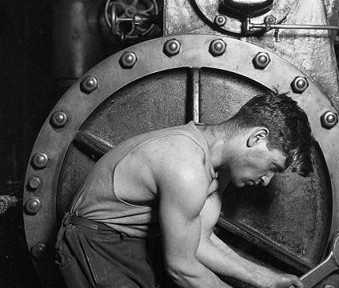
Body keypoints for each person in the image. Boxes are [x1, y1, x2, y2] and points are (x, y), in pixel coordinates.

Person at [55, 92, 313, 288]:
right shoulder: (186, 167)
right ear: (257, 137)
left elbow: (198, 240)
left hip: (128, 244)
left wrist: (265, 277)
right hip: (95, 243)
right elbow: (181, 267)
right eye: (272, 166)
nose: (267, 180)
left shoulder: (213, 164)